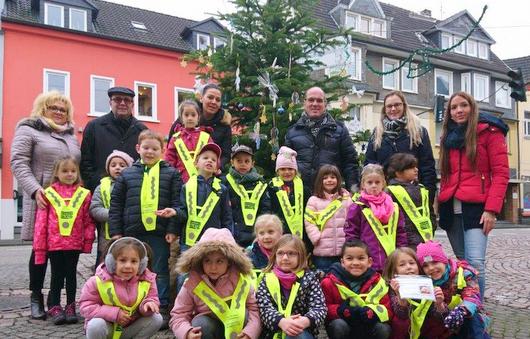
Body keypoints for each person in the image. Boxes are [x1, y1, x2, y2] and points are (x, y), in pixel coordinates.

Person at [10, 91, 80, 320]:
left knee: (64, 252)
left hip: (68, 203)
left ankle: (57, 300)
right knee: (40, 251)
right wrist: (34, 189)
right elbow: (18, 162)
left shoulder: (71, 135)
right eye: (54, 108)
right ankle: (35, 297)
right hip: (42, 200)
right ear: (43, 108)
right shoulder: (29, 129)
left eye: (63, 109)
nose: (59, 113)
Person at [438, 91, 509, 299]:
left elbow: (501, 173)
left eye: (463, 106)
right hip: (451, 206)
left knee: (476, 262)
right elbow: (446, 174)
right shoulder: (448, 137)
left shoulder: (490, 132)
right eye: (453, 107)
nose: (459, 110)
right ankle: (465, 307)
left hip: (478, 208)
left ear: (472, 108)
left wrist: (491, 210)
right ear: (449, 113)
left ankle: (477, 310)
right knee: (461, 263)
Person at [108, 129, 182, 321]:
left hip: (159, 232)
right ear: (138, 148)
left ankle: (161, 306)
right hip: (132, 232)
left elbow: (177, 203)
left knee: (159, 271)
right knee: (133, 270)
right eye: (146, 148)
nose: (150, 152)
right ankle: (132, 305)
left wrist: (172, 229)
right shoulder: (127, 174)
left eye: (155, 149)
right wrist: (116, 232)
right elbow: (116, 204)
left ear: (163, 150)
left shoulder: (171, 174)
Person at [33, 156, 95, 325]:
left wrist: (88, 241)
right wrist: (40, 249)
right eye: (65, 171)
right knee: (56, 276)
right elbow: (41, 224)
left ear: (78, 173)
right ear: (57, 173)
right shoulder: (48, 194)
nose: (69, 174)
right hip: (54, 245)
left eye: (73, 171)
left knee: (71, 276)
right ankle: (54, 306)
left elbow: (88, 221)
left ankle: (70, 306)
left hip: (74, 244)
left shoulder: (84, 194)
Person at [169, 228, 261, 339]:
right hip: (210, 327)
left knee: (245, 315)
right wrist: (187, 332)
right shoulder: (192, 283)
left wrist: (249, 333)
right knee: (200, 324)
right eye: (207, 261)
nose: (213, 267)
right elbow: (179, 314)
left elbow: (254, 310)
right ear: (200, 261)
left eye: (219, 261)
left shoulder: (242, 280)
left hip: (237, 329)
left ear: (229, 261)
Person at [79, 237, 163, 339]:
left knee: (156, 318)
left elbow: (152, 297)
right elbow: (85, 307)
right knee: (95, 325)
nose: (128, 266)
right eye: (122, 260)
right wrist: (114, 313)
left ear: (141, 264)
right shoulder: (96, 281)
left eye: (134, 261)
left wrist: (149, 304)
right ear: (112, 262)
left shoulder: (147, 280)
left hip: (130, 328)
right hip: (107, 328)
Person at [365, 91, 436, 202]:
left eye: (397, 105)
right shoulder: (377, 133)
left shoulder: (418, 132)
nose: (393, 109)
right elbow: (369, 165)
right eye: (389, 106)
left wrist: (428, 194)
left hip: (413, 196)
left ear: (404, 106)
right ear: (385, 109)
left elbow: (427, 166)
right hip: (384, 196)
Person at [285, 87, 359, 192]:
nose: (315, 104)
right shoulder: (292, 132)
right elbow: (285, 165)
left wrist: (353, 191)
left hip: (331, 197)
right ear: (304, 103)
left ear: (325, 104)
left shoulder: (339, 130)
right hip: (300, 196)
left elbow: (350, 163)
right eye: (311, 100)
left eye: (319, 100)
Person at [257, 234, 327, 339]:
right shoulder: (266, 279)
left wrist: (304, 321)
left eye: (291, 253)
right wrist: (281, 322)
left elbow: (319, 307)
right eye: (280, 253)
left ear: (301, 256)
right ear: (274, 256)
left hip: (301, 330)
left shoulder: (310, 279)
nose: (285, 258)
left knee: (296, 334)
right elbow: (264, 307)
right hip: (273, 331)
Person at [416, 241, 490, 338]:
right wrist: (440, 306)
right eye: (425, 265)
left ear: (444, 260)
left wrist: (462, 310)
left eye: (434, 262)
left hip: (466, 318)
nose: (431, 268)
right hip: (444, 322)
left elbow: (472, 295)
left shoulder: (464, 273)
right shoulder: (425, 283)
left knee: (473, 319)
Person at [320, 240, 392, 339]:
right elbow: (324, 308)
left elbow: (388, 309)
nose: (355, 263)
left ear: (369, 262)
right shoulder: (329, 282)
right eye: (349, 258)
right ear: (342, 262)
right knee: (338, 326)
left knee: (383, 328)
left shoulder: (378, 282)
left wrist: (373, 313)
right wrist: (341, 310)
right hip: (345, 324)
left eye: (361, 258)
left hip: (369, 325)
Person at [81, 86, 147, 192]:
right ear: (110, 103)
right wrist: (95, 184)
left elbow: (147, 161)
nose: (122, 103)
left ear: (133, 105)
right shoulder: (94, 127)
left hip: (132, 193)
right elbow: (85, 162)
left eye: (127, 100)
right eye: (117, 99)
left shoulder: (142, 130)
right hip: (101, 192)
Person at [344, 164, 407, 272]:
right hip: (367, 262)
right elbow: (351, 234)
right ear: (363, 185)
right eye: (369, 182)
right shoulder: (357, 207)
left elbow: (400, 232)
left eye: (377, 182)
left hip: (391, 261)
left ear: (383, 183)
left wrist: (401, 253)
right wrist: (358, 257)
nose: (374, 185)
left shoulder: (393, 206)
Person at [176, 143, 233, 251]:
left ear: (217, 167)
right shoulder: (186, 186)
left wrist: (228, 239)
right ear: (196, 163)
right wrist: (175, 213)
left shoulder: (222, 189)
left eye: (213, 159)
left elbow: (227, 217)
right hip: (189, 241)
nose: (209, 161)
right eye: (205, 158)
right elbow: (183, 211)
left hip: (214, 242)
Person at [382, 247, 445, 339]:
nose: (408, 267)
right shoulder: (392, 287)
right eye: (402, 265)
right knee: (400, 322)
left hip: (424, 331)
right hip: (402, 333)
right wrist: (400, 297)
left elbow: (440, 316)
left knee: (438, 322)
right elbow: (401, 315)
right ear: (394, 271)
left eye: (412, 263)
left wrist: (439, 304)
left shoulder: (427, 284)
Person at [168, 84, 232, 169]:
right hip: (180, 174)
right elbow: (170, 148)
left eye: (218, 100)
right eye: (210, 97)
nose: (214, 102)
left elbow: (225, 155)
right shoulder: (186, 118)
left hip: (209, 174)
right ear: (201, 98)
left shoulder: (224, 125)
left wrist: (216, 167)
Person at [304, 165, 352, 272]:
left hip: (343, 251)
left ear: (338, 180)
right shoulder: (314, 200)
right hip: (322, 253)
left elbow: (352, 220)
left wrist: (349, 239)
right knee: (323, 281)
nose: (329, 180)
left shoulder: (346, 199)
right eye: (325, 178)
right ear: (320, 181)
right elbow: (309, 221)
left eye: (332, 177)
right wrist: (316, 237)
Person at [89, 150, 134, 266]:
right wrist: (114, 215)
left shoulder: (133, 185)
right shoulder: (101, 187)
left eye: (122, 165)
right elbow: (95, 208)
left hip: (129, 234)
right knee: (107, 263)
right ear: (108, 168)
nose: (117, 168)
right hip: (107, 237)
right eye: (113, 165)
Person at [223, 144, 271, 248]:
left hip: (256, 236)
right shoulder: (225, 182)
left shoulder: (261, 184)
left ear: (252, 163)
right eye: (239, 161)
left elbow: (265, 210)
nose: (243, 164)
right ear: (232, 162)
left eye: (247, 161)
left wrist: (261, 233)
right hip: (232, 235)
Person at [386, 153, 435, 250]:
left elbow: (430, 211)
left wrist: (432, 226)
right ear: (398, 172)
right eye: (411, 167)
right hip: (404, 241)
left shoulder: (421, 188)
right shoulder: (390, 192)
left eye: (416, 167)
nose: (416, 170)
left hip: (425, 238)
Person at [165, 100, 214, 183]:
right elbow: (170, 159)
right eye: (186, 115)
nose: (190, 118)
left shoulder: (206, 137)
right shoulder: (176, 138)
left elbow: (213, 155)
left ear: (198, 117)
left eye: (193, 115)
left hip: (203, 180)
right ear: (181, 118)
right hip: (180, 180)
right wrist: (169, 175)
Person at [269, 146, 310, 240]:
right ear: (277, 171)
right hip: (280, 233)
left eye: (290, 169)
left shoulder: (304, 189)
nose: (287, 172)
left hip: (303, 234)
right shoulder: (272, 188)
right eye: (283, 169)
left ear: (295, 171)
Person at [247, 213, 284, 288]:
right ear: (257, 236)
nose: (266, 237)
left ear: (280, 233)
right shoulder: (250, 256)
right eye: (261, 233)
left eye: (270, 232)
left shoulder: (288, 252)